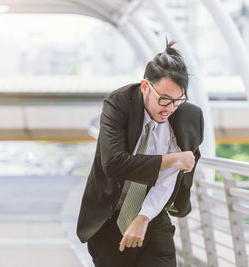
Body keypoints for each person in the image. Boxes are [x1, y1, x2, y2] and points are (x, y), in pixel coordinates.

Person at [76, 41, 204, 267]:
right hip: (110, 217)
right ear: (145, 86)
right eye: (163, 99)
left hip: (154, 216)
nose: (169, 108)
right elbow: (114, 164)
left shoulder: (188, 118)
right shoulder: (119, 104)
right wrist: (171, 159)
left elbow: (166, 181)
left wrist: (143, 218)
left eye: (177, 100)